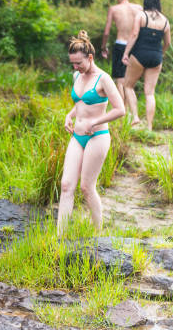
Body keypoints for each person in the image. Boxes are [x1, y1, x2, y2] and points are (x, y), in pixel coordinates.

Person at [58, 30, 125, 236]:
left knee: (87, 187)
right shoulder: (77, 75)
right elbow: (80, 102)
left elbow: (120, 110)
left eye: (79, 63)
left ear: (90, 57)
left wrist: (96, 120)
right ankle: (59, 239)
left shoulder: (103, 79)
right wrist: (69, 115)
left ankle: (98, 235)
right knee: (66, 185)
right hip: (77, 136)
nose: (75, 67)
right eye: (73, 63)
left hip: (97, 136)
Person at [122, 0, 171, 130]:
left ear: (146, 2)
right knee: (150, 93)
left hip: (139, 54)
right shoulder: (165, 21)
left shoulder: (141, 15)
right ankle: (149, 126)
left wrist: (126, 53)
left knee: (128, 85)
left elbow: (134, 34)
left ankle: (136, 117)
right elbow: (167, 43)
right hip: (156, 57)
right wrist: (161, 53)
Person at [101, 0, 142, 103]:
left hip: (120, 44)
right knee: (130, 82)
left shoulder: (114, 9)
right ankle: (129, 112)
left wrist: (103, 47)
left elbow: (106, 32)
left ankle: (121, 112)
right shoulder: (139, 8)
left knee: (120, 80)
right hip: (134, 45)